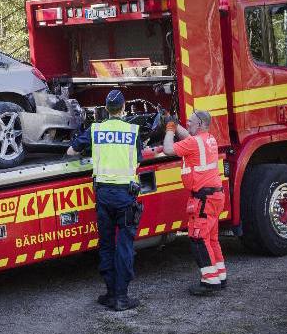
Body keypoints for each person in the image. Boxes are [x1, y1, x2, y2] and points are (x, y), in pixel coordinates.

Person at [66, 90, 149, 312]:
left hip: (102, 195)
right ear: (123, 109)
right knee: (124, 246)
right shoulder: (133, 131)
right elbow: (139, 160)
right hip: (125, 196)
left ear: (106, 108)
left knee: (106, 244)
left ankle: (111, 292)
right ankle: (121, 296)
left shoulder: (96, 129)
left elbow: (71, 151)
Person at [162, 110, 227, 296]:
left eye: (190, 122)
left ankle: (209, 281)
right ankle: (220, 276)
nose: (187, 124)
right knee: (211, 238)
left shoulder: (193, 142)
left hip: (204, 199)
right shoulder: (208, 139)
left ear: (199, 124)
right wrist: (175, 123)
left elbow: (168, 149)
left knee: (198, 239)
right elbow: (189, 136)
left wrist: (169, 129)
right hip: (214, 196)